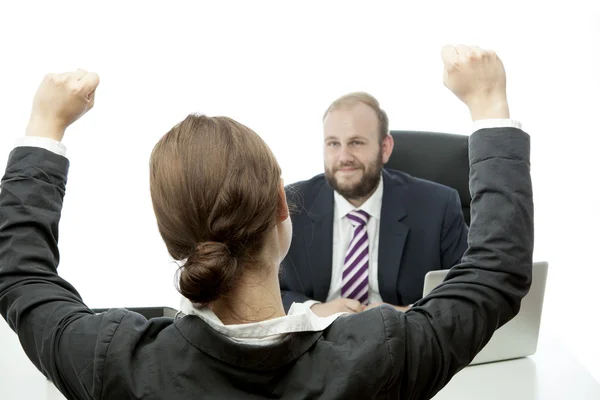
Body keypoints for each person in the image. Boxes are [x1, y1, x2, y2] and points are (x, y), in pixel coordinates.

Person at [0, 45, 533, 399]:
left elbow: (19, 276)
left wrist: (45, 125)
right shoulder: (381, 356)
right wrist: (488, 103)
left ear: (170, 234)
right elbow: (495, 273)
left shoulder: (110, 360)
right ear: (284, 208)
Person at [279, 89, 470, 316]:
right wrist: (314, 310)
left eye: (356, 143)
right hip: (318, 340)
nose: (344, 157)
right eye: (333, 144)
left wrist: (407, 314)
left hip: (403, 340)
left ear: (385, 148)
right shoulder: (291, 205)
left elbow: (466, 290)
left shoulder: (438, 206)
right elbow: (261, 289)